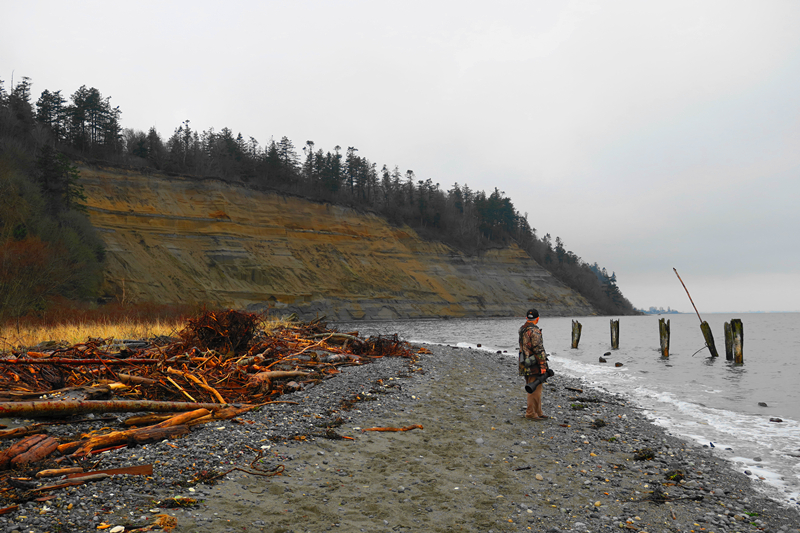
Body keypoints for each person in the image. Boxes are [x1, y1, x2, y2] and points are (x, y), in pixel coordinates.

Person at [519, 308, 549, 420]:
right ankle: (531, 413)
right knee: (534, 389)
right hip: (533, 363)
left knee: (534, 386)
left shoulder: (522, 329)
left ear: (527, 318)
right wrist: (543, 365)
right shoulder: (535, 331)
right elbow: (538, 349)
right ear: (538, 319)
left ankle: (538, 412)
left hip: (523, 362)